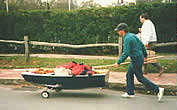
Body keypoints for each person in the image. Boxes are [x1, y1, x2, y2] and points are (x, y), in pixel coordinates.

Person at [114, 23, 164, 101]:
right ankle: (130, 93)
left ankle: (158, 89)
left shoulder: (127, 39)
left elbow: (126, 52)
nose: (118, 32)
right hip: (138, 58)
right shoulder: (133, 35)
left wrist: (118, 62)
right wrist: (145, 56)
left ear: (122, 31)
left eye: (118, 31)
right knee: (129, 74)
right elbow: (142, 45)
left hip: (136, 59)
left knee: (140, 78)